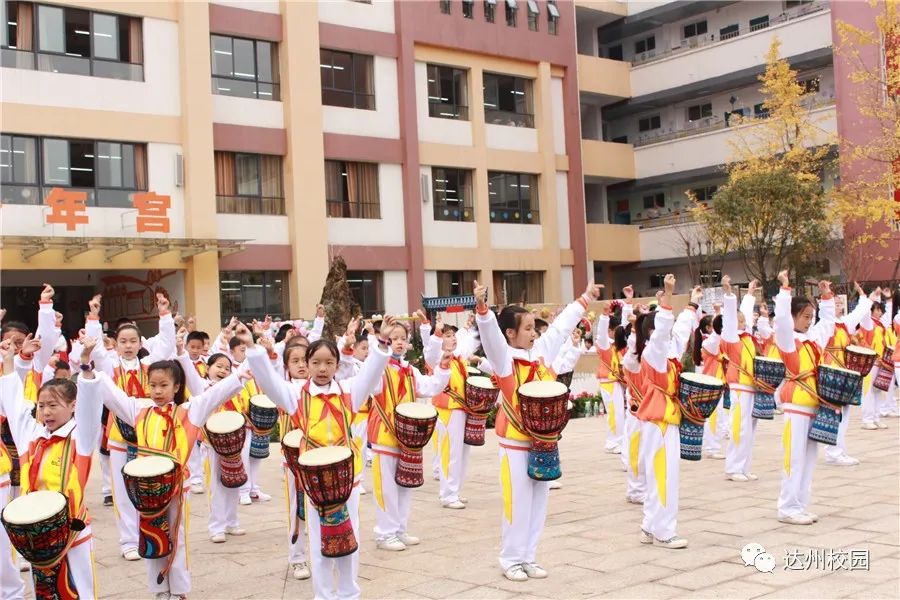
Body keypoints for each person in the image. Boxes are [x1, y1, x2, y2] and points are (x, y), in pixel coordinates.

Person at [244, 320, 404, 600]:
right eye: (316, 362)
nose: (321, 369)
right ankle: (324, 594)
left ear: (336, 364)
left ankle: (349, 592)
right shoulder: (296, 394)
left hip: (347, 478)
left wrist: (382, 342)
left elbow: (371, 371)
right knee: (319, 537)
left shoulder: (349, 391)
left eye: (328, 363)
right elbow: (268, 382)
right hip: (315, 481)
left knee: (349, 533)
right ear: (307, 363)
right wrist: (253, 348)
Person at [79, 342, 251, 600]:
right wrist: (86, 364)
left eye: (163, 385)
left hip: (176, 488)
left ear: (176, 387)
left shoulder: (189, 411)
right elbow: (110, 393)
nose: (157, 391)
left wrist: (246, 369)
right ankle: (159, 589)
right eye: (153, 385)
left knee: (176, 537)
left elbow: (218, 393)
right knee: (150, 537)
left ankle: (179, 590)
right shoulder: (138, 409)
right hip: (147, 489)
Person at [474, 279, 602, 581]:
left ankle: (529, 556)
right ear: (511, 333)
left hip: (544, 442)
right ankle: (511, 559)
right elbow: (491, 337)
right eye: (528, 328)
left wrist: (584, 299)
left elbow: (560, 328)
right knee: (518, 502)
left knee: (539, 502)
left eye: (534, 327)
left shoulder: (541, 352)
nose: (535, 332)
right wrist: (482, 309)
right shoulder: (504, 361)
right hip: (516, 443)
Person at [0, 334, 104, 599]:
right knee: (45, 590)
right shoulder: (31, 436)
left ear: (72, 406)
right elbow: (13, 404)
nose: (46, 412)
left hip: (72, 527)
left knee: (80, 588)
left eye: (54, 406)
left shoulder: (81, 437)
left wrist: (85, 364)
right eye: (42, 406)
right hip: (38, 530)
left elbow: (91, 406)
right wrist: (10, 362)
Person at [90, 293, 175, 562]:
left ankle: (150, 531)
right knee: (123, 490)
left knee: (149, 486)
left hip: (148, 436)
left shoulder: (149, 366)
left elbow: (167, 345)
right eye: (123, 341)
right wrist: (93, 317)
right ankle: (128, 541)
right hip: (119, 437)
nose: (128, 346)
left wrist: (164, 315)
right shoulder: (110, 365)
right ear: (114, 344)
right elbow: (93, 352)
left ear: (141, 343)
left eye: (133, 341)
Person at [368, 318, 451, 552]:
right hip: (385, 433)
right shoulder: (380, 369)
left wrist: (443, 367)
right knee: (386, 487)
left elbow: (431, 387)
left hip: (407, 436)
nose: (399, 343)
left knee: (404, 483)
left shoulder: (410, 371)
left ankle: (399, 528)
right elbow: (370, 383)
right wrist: (379, 349)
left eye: (403, 339)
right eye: (394, 339)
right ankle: (385, 533)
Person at [633, 274, 696, 549]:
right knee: (664, 475)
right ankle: (663, 531)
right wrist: (668, 296)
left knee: (657, 473)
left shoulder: (668, 353)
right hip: (659, 420)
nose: (667, 332)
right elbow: (663, 333)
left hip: (662, 419)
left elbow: (680, 331)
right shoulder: (653, 353)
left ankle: (650, 526)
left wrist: (693, 303)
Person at [774, 271, 835, 526]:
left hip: (814, 402)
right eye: (805, 317)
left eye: (812, 317)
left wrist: (826, 297)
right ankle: (787, 507)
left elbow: (829, 324)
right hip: (796, 402)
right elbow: (781, 321)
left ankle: (800, 504)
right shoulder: (788, 341)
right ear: (793, 317)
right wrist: (785, 290)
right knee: (795, 456)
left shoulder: (811, 340)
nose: (810, 321)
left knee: (809, 458)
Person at [822, 283, 871, 466]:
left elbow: (860, 311)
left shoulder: (845, 324)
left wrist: (863, 296)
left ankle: (838, 450)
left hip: (843, 371)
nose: (838, 306)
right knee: (835, 412)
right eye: (833, 304)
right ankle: (833, 451)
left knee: (844, 412)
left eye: (839, 303)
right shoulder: (824, 324)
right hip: (830, 370)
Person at [721, 276, 762, 482]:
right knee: (739, 426)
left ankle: (744, 466)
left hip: (751, 386)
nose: (743, 322)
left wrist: (750, 294)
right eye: (739, 320)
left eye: (744, 320)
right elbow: (730, 318)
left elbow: (743, 313)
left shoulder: (746, 336)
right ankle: (732, 468)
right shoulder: (730, 337)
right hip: (738, 386)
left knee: (750, 430)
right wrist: (728, 293)